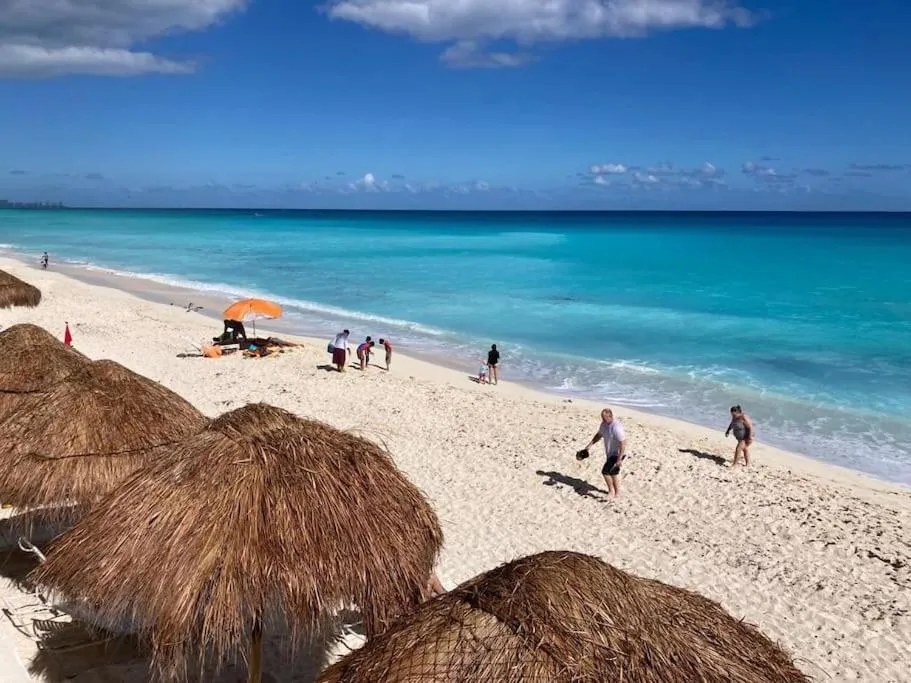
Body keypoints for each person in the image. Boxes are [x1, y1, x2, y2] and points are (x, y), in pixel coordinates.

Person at [582, 408, 627, 499]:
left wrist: (619, 459)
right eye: (602, 417)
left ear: (610, 416)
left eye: (604, 417)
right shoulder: (604, 424)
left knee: (605, 472)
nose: (602, 419)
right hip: (610, 453)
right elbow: (599, 435)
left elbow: (623, 443)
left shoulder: (616, 428)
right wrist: (589, 446)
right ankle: (617, 492)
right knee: (613, 473)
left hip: (617, 454)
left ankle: (611, 491)